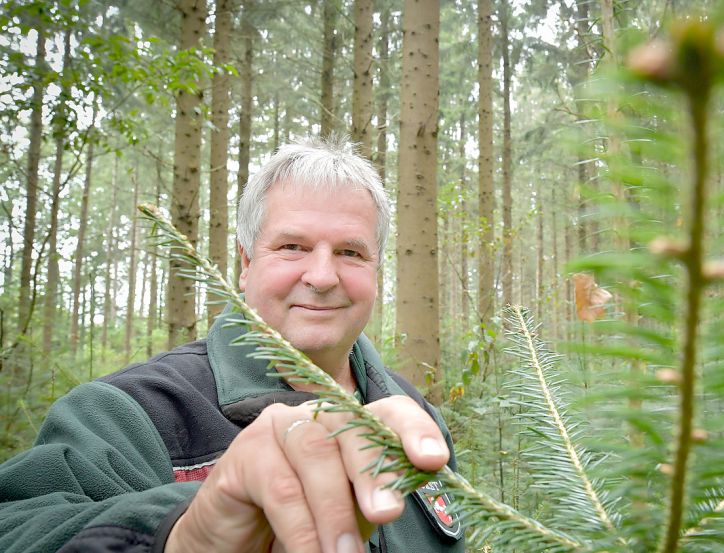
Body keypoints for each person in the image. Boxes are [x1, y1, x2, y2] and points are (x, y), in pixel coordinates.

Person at [0, 137, 465, 553]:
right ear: (245, 263)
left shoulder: (416, 415)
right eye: (292, 247)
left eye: (350, 252)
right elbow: (19, 526)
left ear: (376, 271)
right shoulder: (127, 414)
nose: (322, 277)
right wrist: (184, 533)